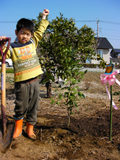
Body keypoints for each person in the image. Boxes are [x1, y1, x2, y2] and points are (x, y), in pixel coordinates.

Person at [0, 9, 49, 140]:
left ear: (31, 35)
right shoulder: (12, 47)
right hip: (21, 83)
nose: (25, 36)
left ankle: (30, 129)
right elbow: (2, 56)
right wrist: (1, 45)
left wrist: (43, 17)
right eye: (22, 33)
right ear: (16, 33)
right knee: (20, 106)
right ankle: (17, 128)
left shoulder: (33, 43)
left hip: (34, 81)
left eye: (28, 34)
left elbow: (40, 31)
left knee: (34, 105)